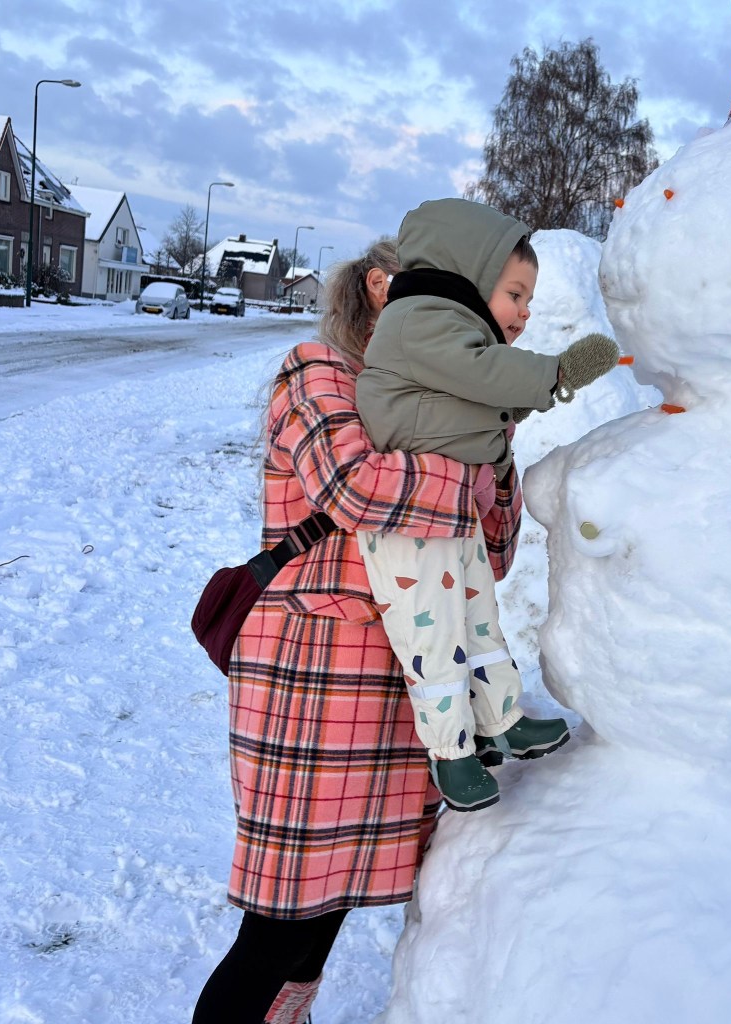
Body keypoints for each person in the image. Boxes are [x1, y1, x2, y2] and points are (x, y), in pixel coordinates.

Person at [191, 238, 525, 1024]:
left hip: (405, 679)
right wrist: (464, 467)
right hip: (314, 674)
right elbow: (353, 484)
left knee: (329, 908)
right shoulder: (319, 371)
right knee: (279, 921)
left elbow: (493, 552)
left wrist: (496, 442)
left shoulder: (450, 410)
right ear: (382, 289)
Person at [354, 197, 620, 812]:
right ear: (467, 274)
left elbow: (478, 395)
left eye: (529, 300)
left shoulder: (454, 336)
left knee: (478, 619)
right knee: (431, 632)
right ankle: (450, 753)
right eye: (515, 294)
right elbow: (483, 375)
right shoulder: (418, 320)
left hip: (448, 509)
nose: (524, 312)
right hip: (406, 519)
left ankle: (500, 719)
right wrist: (557, 373)